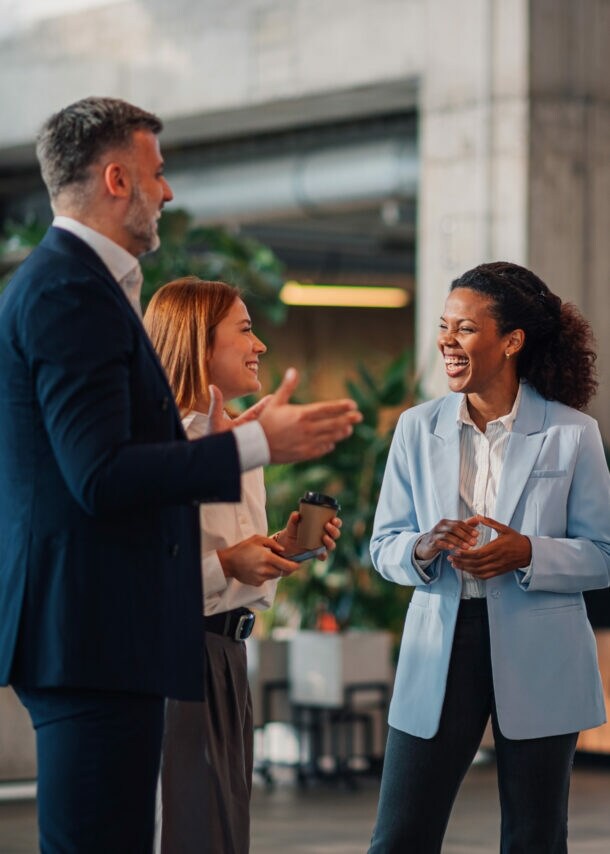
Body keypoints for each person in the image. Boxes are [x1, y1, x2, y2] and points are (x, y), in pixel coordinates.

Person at [0, 96, 361, 854]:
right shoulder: (70, 289)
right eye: (158, 173)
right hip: (89, 633)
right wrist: (255, 445)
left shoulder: (84, 286)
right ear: (116, 178)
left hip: (102, 632)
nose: (168, 191)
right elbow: (97, 474)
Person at [368, 261, 610, 853]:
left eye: (465, 329)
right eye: (445, 326)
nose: (447, 341)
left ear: (511, 341)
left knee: (534, 838)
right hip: (441, 647)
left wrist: (525, 551)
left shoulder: (572, 433)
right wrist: (422, 547)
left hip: (541, 650)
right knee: (400, 837)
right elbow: (383, 545)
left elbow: (604, 554)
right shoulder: (415, 429)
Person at [143, 276, 342, 853]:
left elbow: (232, 556)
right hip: (179, 655)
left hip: (229, 657)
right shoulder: (164, 447)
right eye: (246, 330)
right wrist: (229, 564)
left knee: (225, 833)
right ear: (199, 342)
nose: (259, 346)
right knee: (185, 833)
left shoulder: (241, 443)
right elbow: (145, 578)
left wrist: (278, 544)